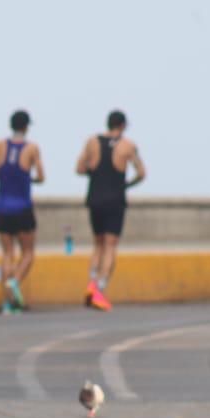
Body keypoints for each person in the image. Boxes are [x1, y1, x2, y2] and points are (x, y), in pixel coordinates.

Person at [75, 109, 146, 311]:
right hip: (115, 199)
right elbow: (142, 173)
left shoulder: (92, 141)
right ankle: (100, 288)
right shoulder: (128, 146)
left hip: (95, 198)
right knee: (110, 245)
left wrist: (96, 175)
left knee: (97, 244)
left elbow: (80, 168)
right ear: (123, 125)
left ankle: (91, 283)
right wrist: (126, 184)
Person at [0, 110, 45, 315]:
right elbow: (41, 176)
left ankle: (9, 303)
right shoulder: (32, 148)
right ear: (26, 127)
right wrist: (28, 179)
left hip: (1, 207)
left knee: (7, 253)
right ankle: (14, 282)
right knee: (28, 252)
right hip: (22, 207)